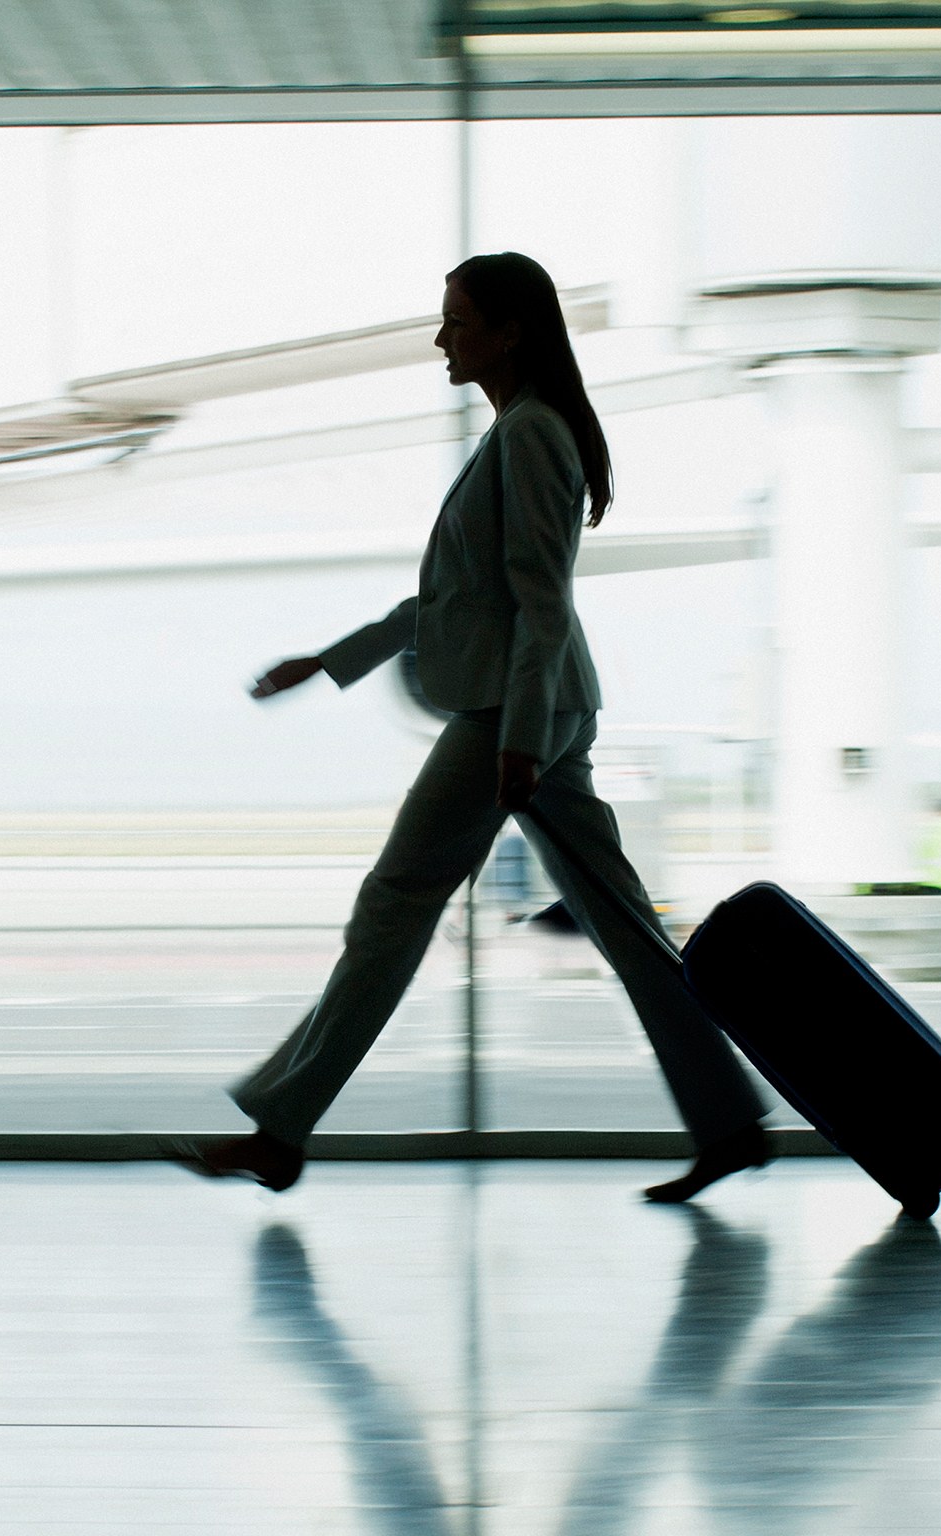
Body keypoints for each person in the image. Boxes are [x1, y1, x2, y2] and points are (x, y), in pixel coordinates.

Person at [179, 252, 769, 1203]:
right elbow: (451, 601)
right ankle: (729, 1123)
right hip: (533, 710)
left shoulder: (531, 437)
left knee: (394, 907)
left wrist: (521, 745)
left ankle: (282, 1128)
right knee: (622, 930)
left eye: (457, 320)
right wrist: (331, 662)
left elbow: (541, 603)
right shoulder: (518, 434)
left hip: (511, 714)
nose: (442, 337)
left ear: (511, 331)